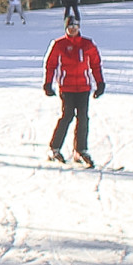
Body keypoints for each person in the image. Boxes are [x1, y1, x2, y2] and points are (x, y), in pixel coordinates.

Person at [42, 18, 102, 166]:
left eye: (75, 26)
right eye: (70, 27)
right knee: (67, 115)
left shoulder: (87, 44)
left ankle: (80, 150)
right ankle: (54, 147)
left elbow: (95, 64)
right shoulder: (59, 44)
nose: (73, 29)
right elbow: (51, 65)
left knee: (83, 117)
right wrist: (48, 83)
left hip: (83, 87)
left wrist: (100, 83)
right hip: (67, 87)